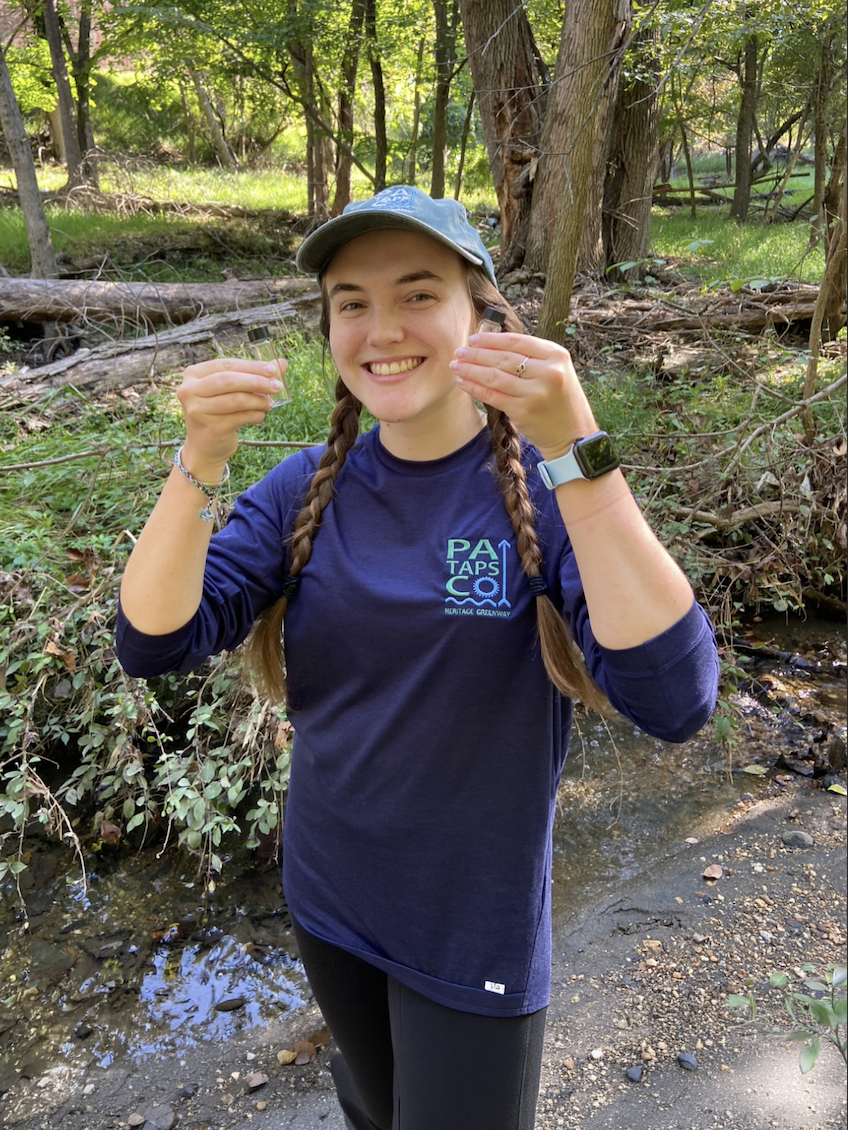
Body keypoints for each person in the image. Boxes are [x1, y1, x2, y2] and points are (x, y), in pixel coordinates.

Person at [116, 185, 719, 1130]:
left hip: (470, 921)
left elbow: (675, 699)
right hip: (328, 892)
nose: (380, 327)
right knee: (371, 1111)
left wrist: (578, 450)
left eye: (417, 293)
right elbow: (154, 641)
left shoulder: (548, 491)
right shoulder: (301, 489)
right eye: (351, 301)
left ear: (479, 313)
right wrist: (198, 457)